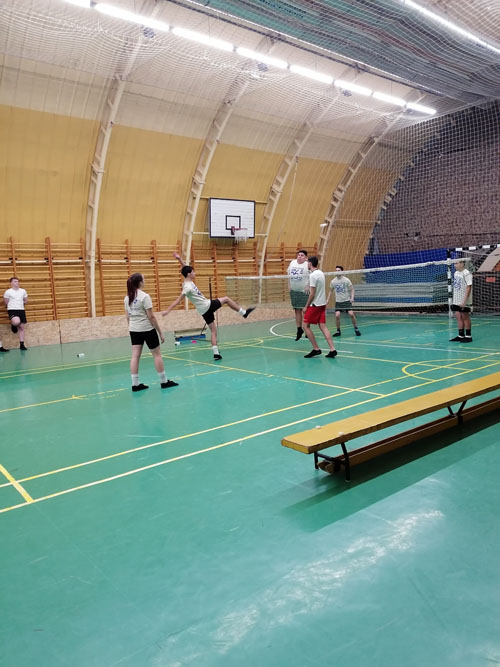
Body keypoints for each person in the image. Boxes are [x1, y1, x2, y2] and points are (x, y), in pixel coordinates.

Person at [162, 253, 255, 361]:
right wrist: (167, 311)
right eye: (193, 272)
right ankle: (244, 312)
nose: (194, 273)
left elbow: (184, 268)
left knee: (213, 330)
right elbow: (178, 300)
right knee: (226, 299)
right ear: (189, 274)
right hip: (207, 305)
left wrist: (179, 259)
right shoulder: (187, 287)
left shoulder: (187, 280)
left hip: (203, 311)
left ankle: (216, 353)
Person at [125, 273, 178, 392]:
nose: (145, 281)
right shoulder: (145, 296)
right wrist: (160, 332)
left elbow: (127, 317)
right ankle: (164, 381)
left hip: (134, 330)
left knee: (135, 356)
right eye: (144, 279)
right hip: (147, 329)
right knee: (157, 355)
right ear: (140, 282)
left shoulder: (127, 298)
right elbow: (151, 317)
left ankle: (135, 384)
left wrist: (131, 329)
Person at [302, 256, 337, 359]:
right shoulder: (321, 273)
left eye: (307, 263)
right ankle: (332, 349)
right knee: (323, 326)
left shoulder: (313, 276)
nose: (307, 264)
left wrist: (306, 306)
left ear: (310, 263)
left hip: (315, 305)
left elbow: (312, 294)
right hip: (322, 304)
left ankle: (316, 349)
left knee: (305, 326)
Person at [328, 266, 361, 337]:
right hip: (338, 302)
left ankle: (356, 329)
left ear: (342, 271)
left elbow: (352, 289)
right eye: (336, 270)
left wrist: (352, 297)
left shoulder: (346, 280)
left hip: (346, 301)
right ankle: (338, 331)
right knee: (337, 315)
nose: (337, 272)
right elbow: (330, 291)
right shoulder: (333, 281)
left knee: (351, 314)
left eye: (339, 270)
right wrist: (327, 300)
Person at [287, 249, 309, 341]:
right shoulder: (292, 263)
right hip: (294, 290)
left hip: (303, 291)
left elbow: (312, 276)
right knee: (297, 310)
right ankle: (299, 329)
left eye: (302, 255)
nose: (299, 256)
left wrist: (308, 285)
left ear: (305, 257)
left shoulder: (307, 264)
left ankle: (307, 329)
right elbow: (288, 274)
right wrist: (289, 284)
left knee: (305, 311)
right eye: (299, 255)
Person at [449, 260, 473, 343]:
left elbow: (469, 287)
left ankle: (468, 336)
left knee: (465, 317)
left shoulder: (466, 273)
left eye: (457, 263)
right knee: (458, 317)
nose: (455, 265)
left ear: (462, 264)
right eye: (454, 263)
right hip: (457, 299)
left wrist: (464, 301)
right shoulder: (456, 273)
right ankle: (461, 335)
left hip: (464, 299)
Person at [3, 277, 28, 350]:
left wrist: (21, 304)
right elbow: (6, 302)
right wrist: (12, 305)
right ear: (11, 283)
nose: (17, 283)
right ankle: (13, 325)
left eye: (18, 281)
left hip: (21, 309)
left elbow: (25, 301)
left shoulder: (23, 291)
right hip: (12, 309)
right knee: (17, 322)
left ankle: (22, 344)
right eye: (15, 281)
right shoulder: (8, 292)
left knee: (22, 327)